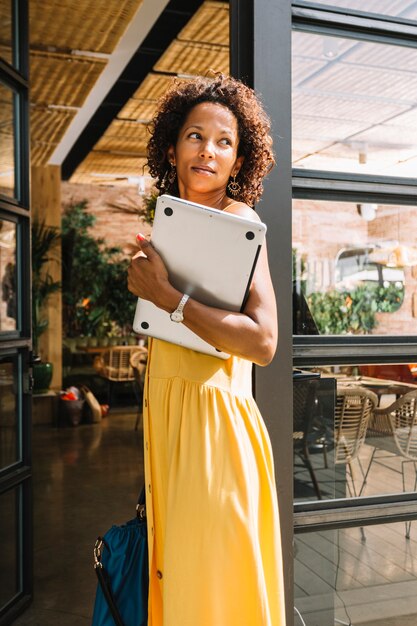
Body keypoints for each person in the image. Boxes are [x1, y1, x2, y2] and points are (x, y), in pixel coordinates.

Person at [128, 74, 286, 626]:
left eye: (225, 142)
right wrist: (149, 292)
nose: (208, 150)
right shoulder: (172, 219)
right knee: (185, 588)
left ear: (239, 161)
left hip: (213, 433)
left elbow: (264, 342)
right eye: (196, 135)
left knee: (211, 591)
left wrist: (167, 298)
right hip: (171, 428)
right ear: (172, 146)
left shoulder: (241, 223)